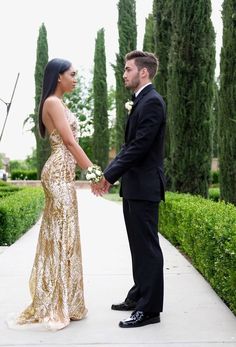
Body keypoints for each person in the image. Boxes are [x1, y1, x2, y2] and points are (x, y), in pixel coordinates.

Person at [12, 58, 101, 331]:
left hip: (64, 174)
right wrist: (94, 172)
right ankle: (56, 304)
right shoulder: (52, 102)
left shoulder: (59, 103)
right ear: (58, 76)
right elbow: (70, 142)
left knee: (67, 234)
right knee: (61, 235)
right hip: (58, 175)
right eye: (72, 74)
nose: (75, 78)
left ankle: (68, 301)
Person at [100, 50, 166, 328]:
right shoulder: (140, 102)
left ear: (143, 72)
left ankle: (149, 310)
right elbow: (129, 146)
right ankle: (139, 295)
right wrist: (111, 173)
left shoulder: (152, 102)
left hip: (145, 187)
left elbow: (139, 147)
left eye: (128, 69)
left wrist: (109, 176)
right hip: (135, 187)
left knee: (147, 248)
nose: (124, 74)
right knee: (138, 247)